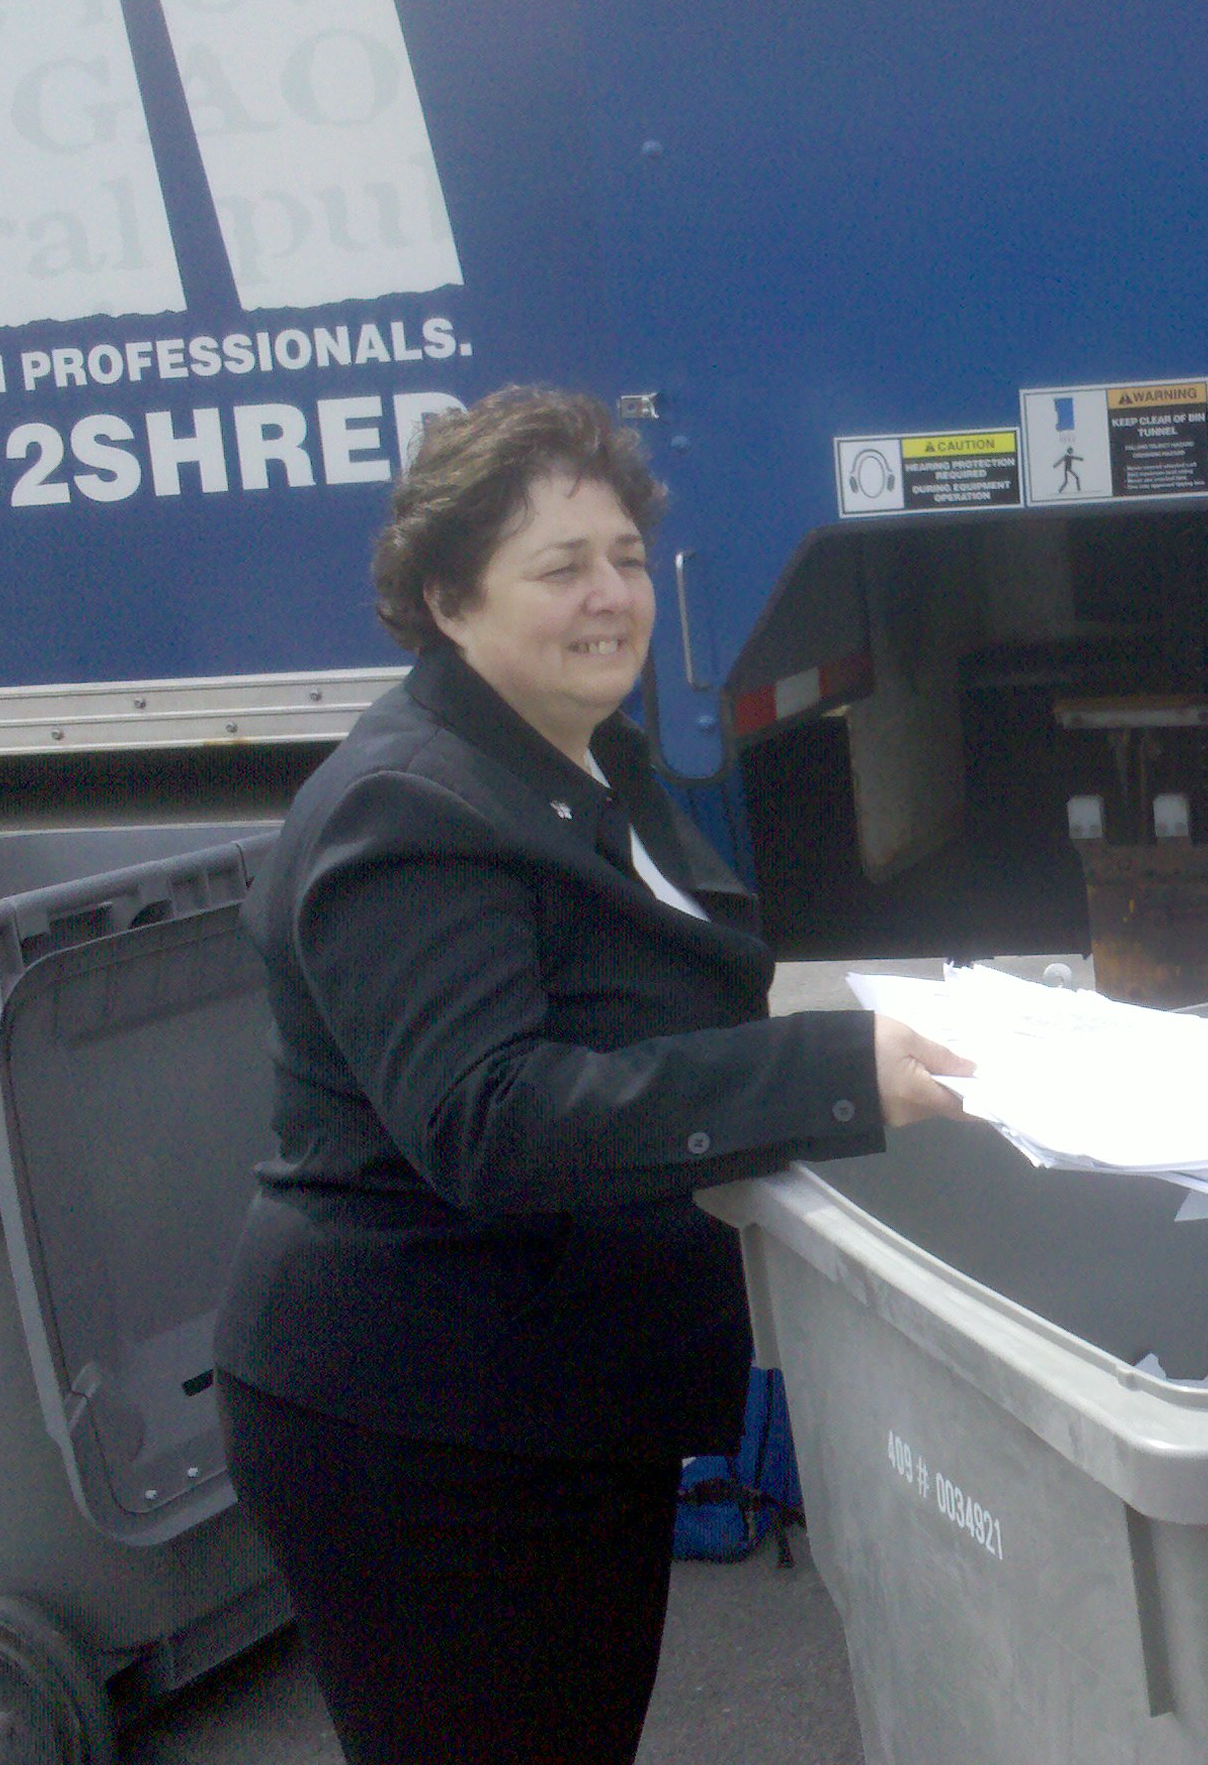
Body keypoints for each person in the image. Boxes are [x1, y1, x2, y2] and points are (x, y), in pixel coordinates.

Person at [214, 387, 971, 1765]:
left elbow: (642, 1018)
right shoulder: (412, 808)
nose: (611, 595)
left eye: (623, 556)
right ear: (449, 601)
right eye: (559, 567)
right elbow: (486, 1116)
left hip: (554, 1397)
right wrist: (821, 1074)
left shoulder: (589, 757)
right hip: (423, 1429)